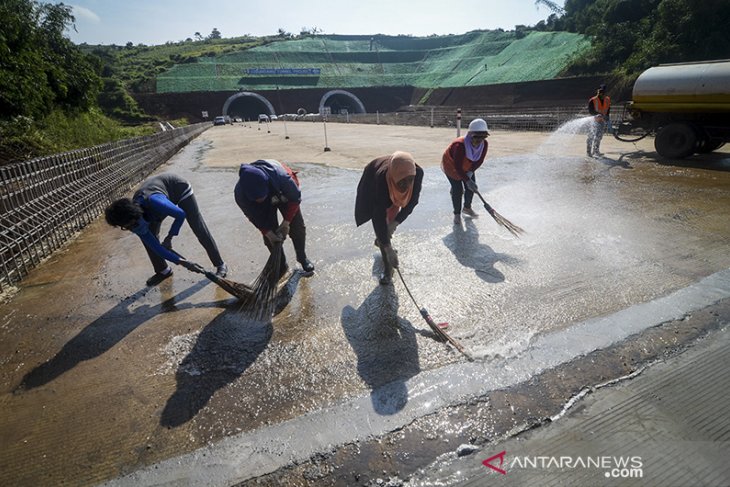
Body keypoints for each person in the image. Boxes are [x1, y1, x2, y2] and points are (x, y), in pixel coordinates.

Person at [105, 173, 228, 286]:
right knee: (149, 239)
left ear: (136, 215)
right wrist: (183, 262)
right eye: (127, 227)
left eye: (132, 224)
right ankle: (163, 271)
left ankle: (220, 264)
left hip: (178, 189)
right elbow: (157, 248)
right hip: (153, 209)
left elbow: (180, 215)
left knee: (198, 228)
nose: (132, 228)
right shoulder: (132, 222)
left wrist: (169, 237)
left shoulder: (154, 201)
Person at [234, 159, 314, 277]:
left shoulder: (283, 178)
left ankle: (302, 257)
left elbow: (295, 199)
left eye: (261, 196)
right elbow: (254, 217)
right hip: (261, 207)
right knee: (270, 237)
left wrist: (286, 222)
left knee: (297, 226)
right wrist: (267, 232)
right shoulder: (240, 195)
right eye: (256, 198)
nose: (259, 199)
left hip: (280, 192)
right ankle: (281, 264)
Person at [355, 151, 423, 285]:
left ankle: (382, 239)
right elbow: (378, 215)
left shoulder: (417, 173)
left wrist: (395, 223)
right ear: (393, 176)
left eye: (410, 181)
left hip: (390, 189)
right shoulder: (381, 178)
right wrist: (388, 248)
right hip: (374, 182)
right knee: (382, 227)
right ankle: (387, 269)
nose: (407, 185)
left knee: (389, 224)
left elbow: (412, 201)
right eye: (402, 182)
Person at [441, 118, 489, 224]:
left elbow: (480, 160)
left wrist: (471, 172)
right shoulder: (460, 146)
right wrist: (467, 180)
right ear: (470, 134)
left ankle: (467, 208)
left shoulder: (484, 144)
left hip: (467, 166)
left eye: (482, 138)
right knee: (458, 190)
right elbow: (457, 167)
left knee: (471, 188)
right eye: (476, 138)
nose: (478, 141)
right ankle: (457, 214)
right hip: (451, 166)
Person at [587, 84, 611, 157]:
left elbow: (608, 109)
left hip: (602, 121)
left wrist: (607, 117)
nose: (604, 95)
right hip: (593, 121)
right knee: (591, 136)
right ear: (600, 93)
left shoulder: (607, 99)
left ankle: (596, 151)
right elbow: (591, 111)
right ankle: (589, 152)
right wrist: (598, 114)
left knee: (599, 136)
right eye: (603, 94)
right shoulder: (593, 100)